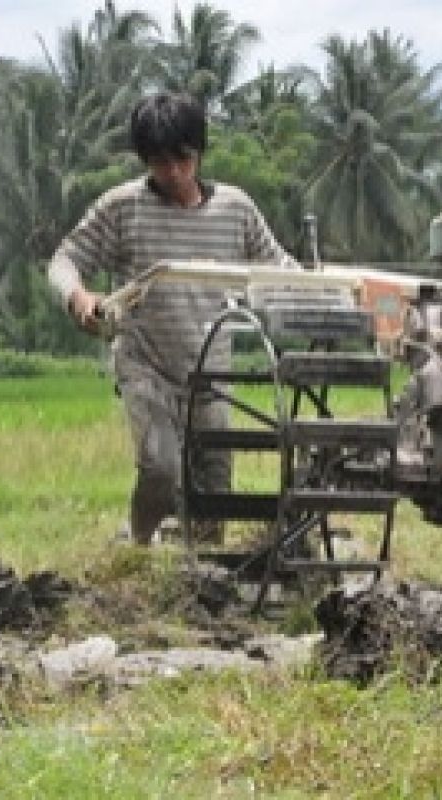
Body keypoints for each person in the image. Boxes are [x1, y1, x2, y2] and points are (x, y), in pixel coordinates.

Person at [49, 92, 297, 545]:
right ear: (146, 161)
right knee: (160, 467)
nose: (176, 173)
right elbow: (64, 260)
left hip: (211, 371)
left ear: (199, 152)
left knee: (213, 483)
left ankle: (203, 576)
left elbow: (280, 269)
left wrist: (324, 293)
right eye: (162, 162)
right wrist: (79, 297)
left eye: (184, 159)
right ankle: (140, 547)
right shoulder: (123, 208)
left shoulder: (236, 211)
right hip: (146, 364)